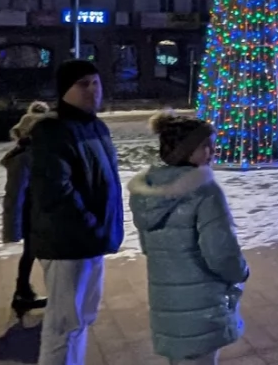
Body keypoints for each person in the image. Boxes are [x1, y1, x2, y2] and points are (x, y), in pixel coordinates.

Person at [129, 113, 249, 365]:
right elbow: (221, 253)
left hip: (167, 302)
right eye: (205, 146)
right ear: (185, 150)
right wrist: (240, 272)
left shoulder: (147, 192)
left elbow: (148, 247)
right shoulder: (204, 190)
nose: (212, 152)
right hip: (202, 303)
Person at [29, 60, 124, 365]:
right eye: (83, 84)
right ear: (64, 90)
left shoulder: (97, 127)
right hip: (67, 245)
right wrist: (92, 227)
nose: (92, 90)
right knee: (63, 326)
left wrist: (105, 229)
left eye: (96, 83)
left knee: (80, 320)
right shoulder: (52, 131)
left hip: (91, 241)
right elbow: (56, 192)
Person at [1, 101, 53, 318]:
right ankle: (24, 293)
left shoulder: (36, 153)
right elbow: (15, 194)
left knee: (34, 253)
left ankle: (23, 292)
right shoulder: (25, 157)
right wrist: (12, 227)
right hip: (33, 214)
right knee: (40, 253)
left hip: (39, 212)